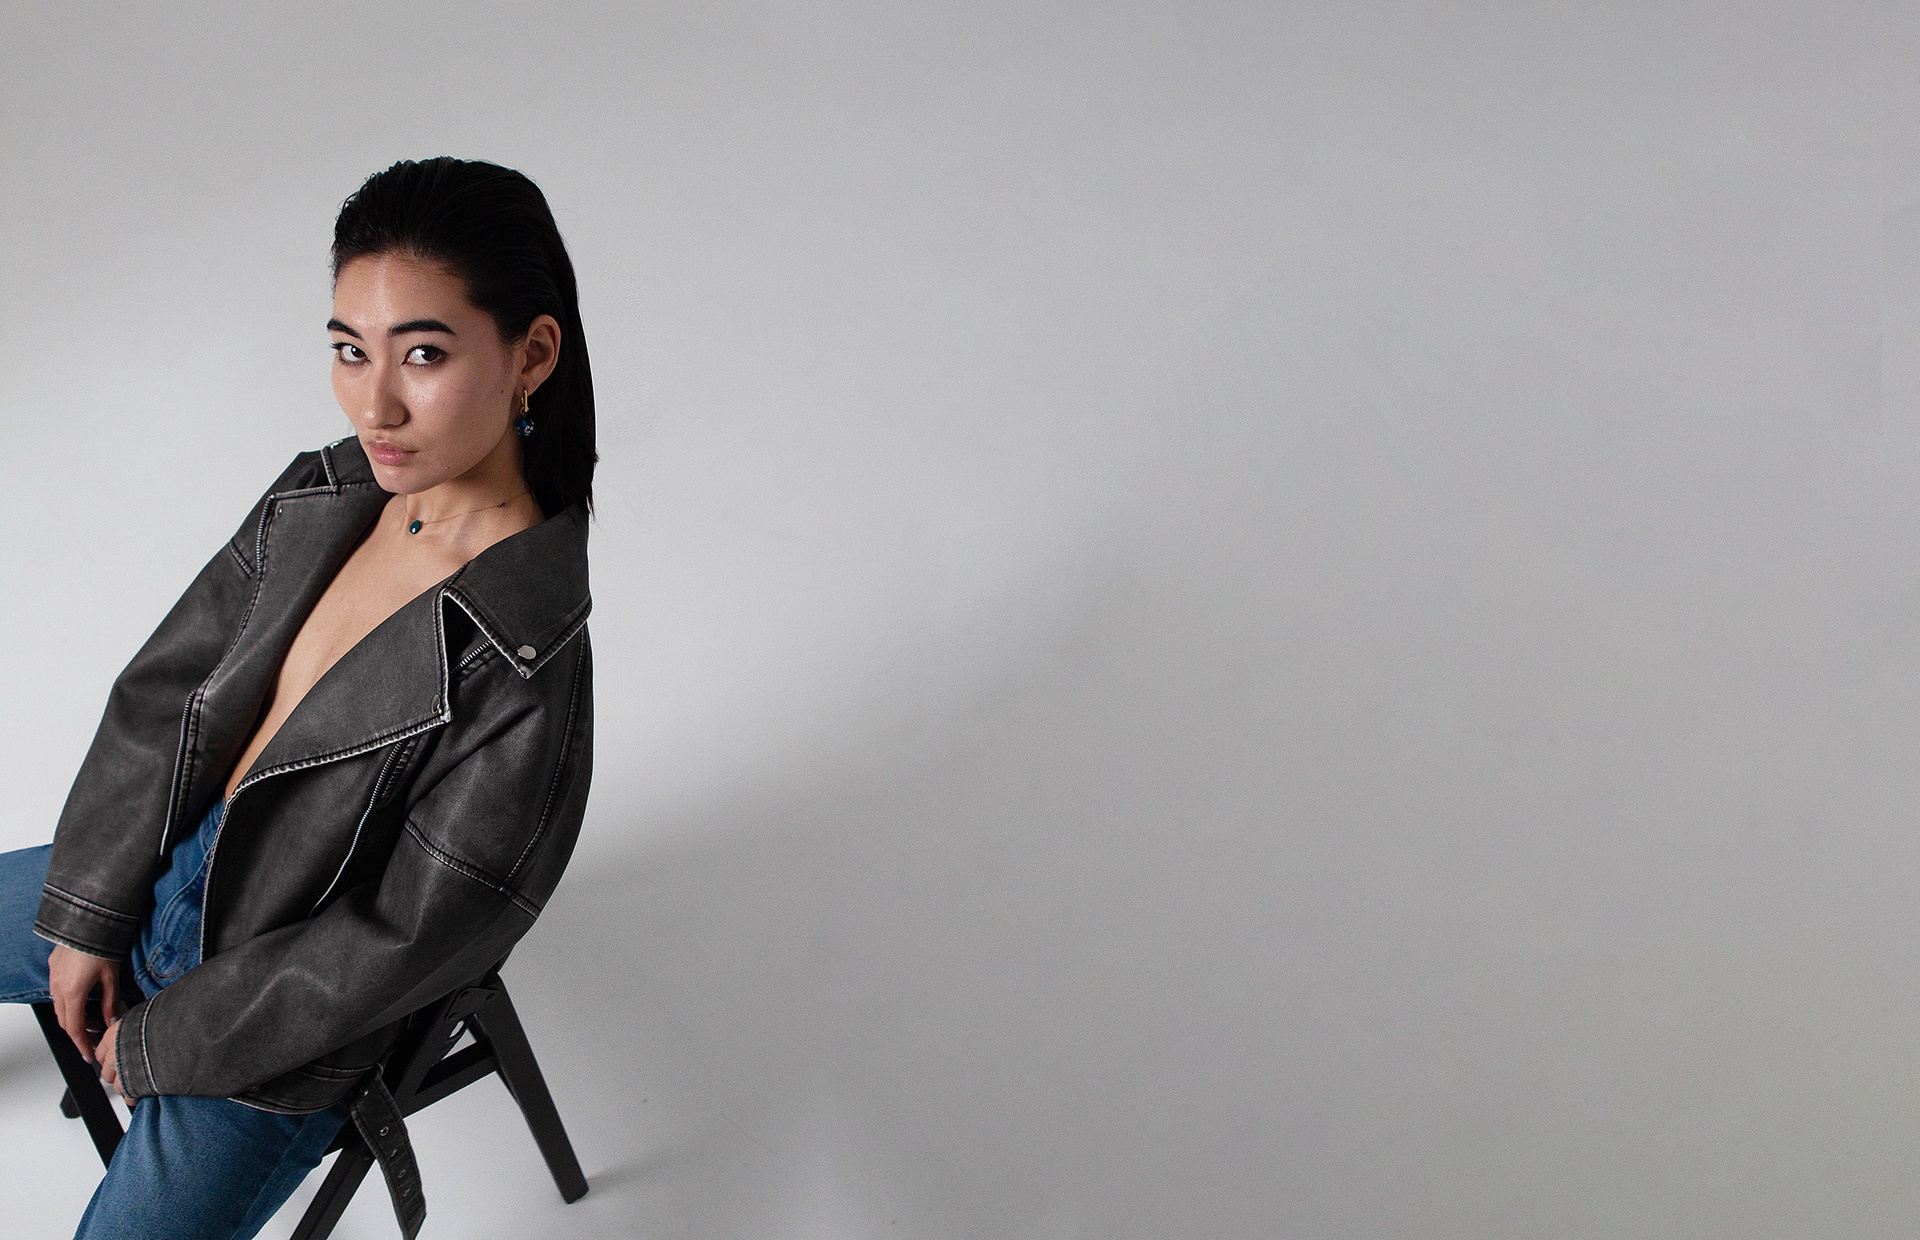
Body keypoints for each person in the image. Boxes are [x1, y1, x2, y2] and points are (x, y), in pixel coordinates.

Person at [0, 156, 598, 1240]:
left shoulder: (522, 664)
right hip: (167, 867)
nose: (375, 403)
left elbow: (396, 945)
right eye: (349, 350)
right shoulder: (326, 492)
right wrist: (87, 916)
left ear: (533, 355)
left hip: (273, 1025)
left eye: (424, 353)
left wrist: (160, 1041)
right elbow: (164, 696)